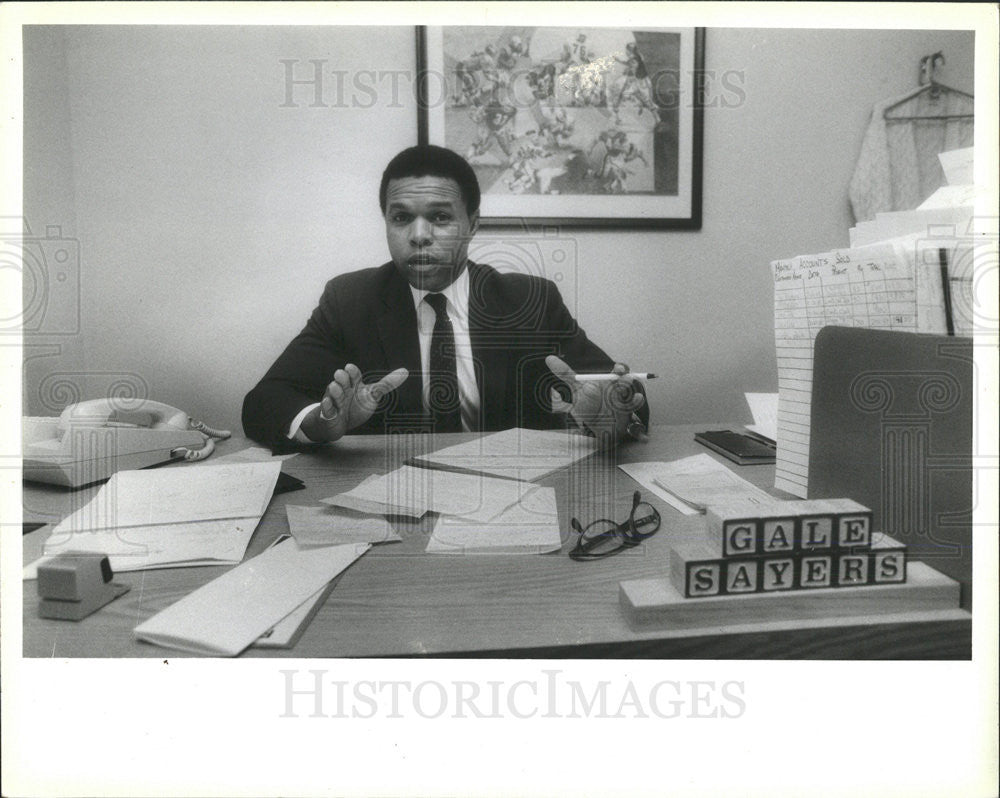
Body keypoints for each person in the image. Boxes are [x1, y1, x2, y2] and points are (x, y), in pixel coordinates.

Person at [242, 145, 647, 448]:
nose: (418, 235)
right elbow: (263, 403)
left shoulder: (530, 302)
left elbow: (624, 396)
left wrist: (609, 415)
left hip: (512, 495)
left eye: (439, 217)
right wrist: (321, 423)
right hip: (392, 500)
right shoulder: (350, 300)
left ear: (472, 225)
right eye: (401, 218)